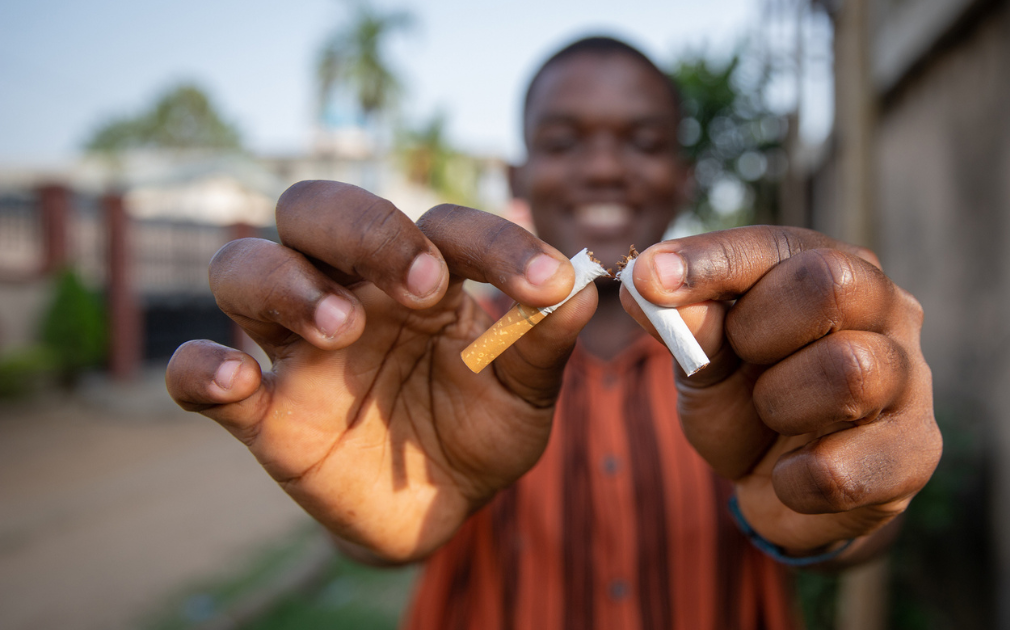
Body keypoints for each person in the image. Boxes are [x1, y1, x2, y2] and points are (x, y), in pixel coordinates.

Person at [166, 36, 941, 629]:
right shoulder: (454, 358)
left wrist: (846, 501)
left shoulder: (753, 360)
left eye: (642, 141)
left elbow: (852, 533)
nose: (604, 169)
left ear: (684, 181)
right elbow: (368, 527)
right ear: (517, 178)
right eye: (565, 142)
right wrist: (372, 508)